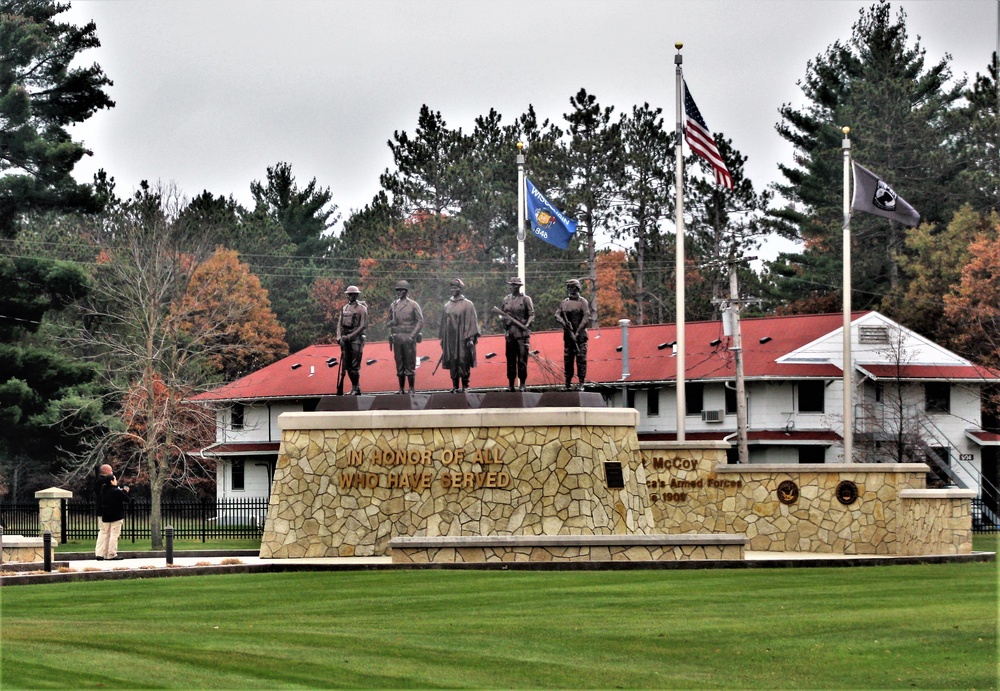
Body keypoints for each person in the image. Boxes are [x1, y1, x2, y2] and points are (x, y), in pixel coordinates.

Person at [439, 278, 479, 392]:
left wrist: (471, 338)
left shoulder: (467, 304)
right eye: (451, 288)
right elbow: (443, 323)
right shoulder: (447, 305)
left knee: (463, 361)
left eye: (456, 288)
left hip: (462, 338)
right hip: (450, 339)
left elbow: (472, 322)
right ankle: (455, 386)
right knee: (453, 361)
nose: (453, 290)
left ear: (460, 289)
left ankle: (465, 386)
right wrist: (443, 338)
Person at [498, 276, 534, 391]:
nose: (513, 287)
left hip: (522, 335)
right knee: (510, 360)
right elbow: (502, 314)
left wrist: (527, 325)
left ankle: (522, 384)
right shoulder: (506, 300)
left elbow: (531, 314)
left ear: (519, 286)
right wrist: (505, 321)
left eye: (515, 285)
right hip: (510, 334)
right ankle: (511, 384)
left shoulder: (526, 299)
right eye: (512, 285)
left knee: (522, 360)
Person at [554, 278, 591, 390]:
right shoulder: (564, 303)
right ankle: (567, 383)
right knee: (568, 359)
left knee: (581, 359)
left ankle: (581, 383)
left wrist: (578, 331)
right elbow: (557, 315)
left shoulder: (582, 302)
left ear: (577, 288)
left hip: (580, 336)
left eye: (572, 287)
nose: (570, 289)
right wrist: (564, 323)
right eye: (568, 287)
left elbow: (586, 317)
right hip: (568, 336)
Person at [388, 280, 424, 393]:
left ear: (406, 291)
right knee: (399, 363)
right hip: (397, 338)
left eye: (401, 290)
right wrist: (390, 323)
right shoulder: (393, 305)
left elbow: (420, 321)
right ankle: (401, 389)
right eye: (397, 290)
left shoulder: (413, 305)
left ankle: (411, 388)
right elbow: (389, 321)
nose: (399, 292)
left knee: (410, 363)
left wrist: (412, 336)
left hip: (408, 337)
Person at [337, 285, 368, 395]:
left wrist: (350, 337)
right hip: (345, 341)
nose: (349, 296)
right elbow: (339, 324)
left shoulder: (361, 308)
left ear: (356, 295)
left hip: (356, 340)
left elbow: (362, 326)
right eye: (348, 294)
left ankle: (356, 388)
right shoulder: (344, 308)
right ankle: (354, 387)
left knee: (355, 366)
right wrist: (339, 338)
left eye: (351, 294)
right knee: (347, 366)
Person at [94, 464, 130, 561]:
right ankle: (103, 553)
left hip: (103, 510)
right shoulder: (103, 482)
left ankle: (103, 553)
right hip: (105, 510)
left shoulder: (102, 485)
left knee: (105, 532)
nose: (112, 473)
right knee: (105, 532)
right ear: (106, 472)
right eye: (111, 471)